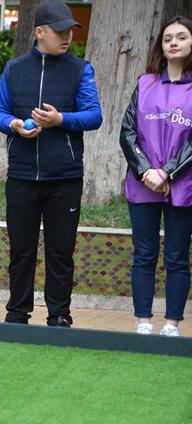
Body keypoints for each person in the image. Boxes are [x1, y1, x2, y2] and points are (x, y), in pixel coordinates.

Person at [0, 0, 102, 327]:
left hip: (65, 178)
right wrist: (13, 125)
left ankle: (59, 316)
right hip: (23, 176)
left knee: (60, 252)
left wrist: (60, 119)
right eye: (60, 31)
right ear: (40, 32)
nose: (67, 36)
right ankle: (17, 314)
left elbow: (94, 115)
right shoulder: (14, 68)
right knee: (21, 251)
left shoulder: (80, 68)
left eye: (70, 30)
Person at [119, 16, 192, 337]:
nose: (173, 43)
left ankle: (172, 324)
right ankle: (143, 322)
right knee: (144, 254)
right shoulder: (144, 83)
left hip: (183, 185)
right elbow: (127, 132)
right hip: (143, 182)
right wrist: (147, 170)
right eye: (167, 38)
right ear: (160, 46)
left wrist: (168, 172)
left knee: (177, 256)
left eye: (181, 37)